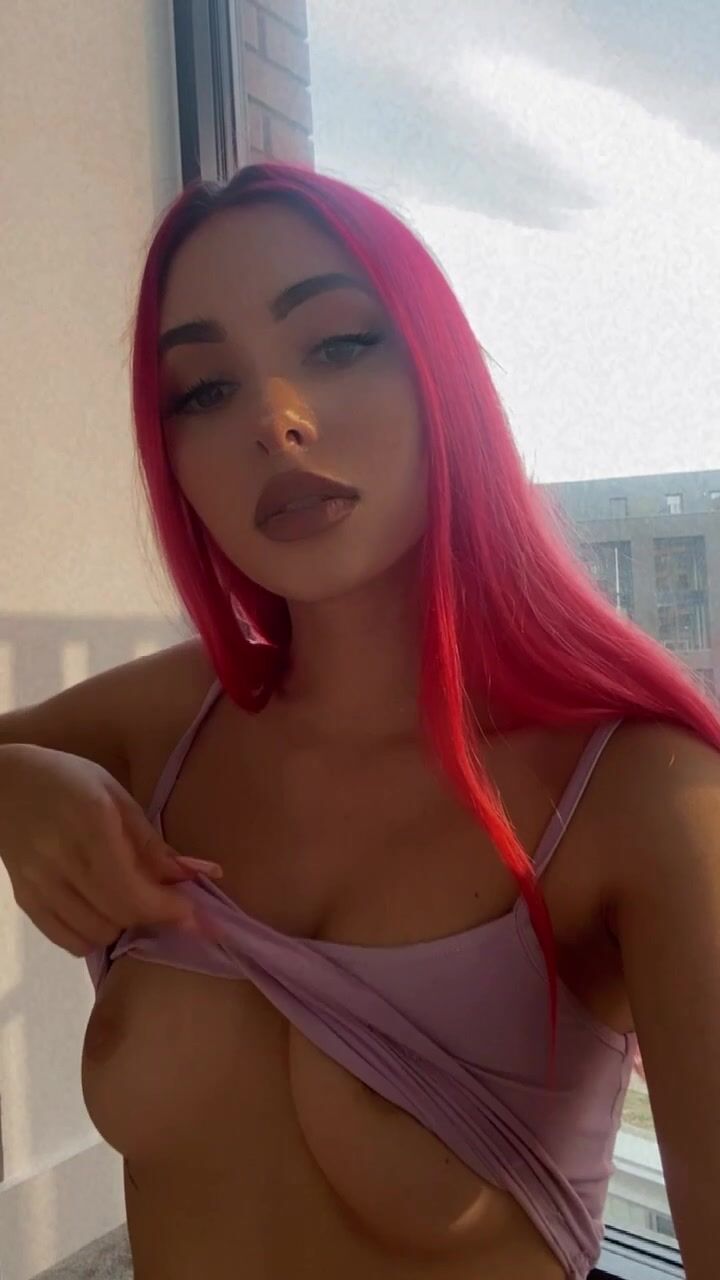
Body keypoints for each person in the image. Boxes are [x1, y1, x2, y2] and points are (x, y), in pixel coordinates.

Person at [1, 161, 719, 1280]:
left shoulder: (644, 792)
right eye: (205, 390)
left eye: (337, 343)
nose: (275, 421)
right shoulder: (171, 719)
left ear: (442, 376)